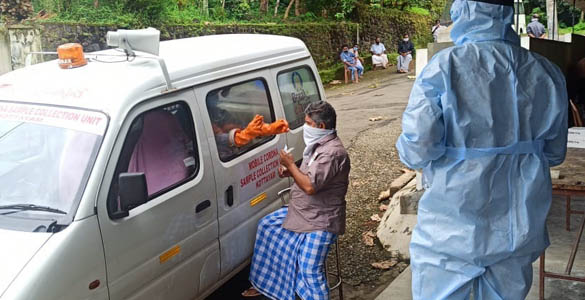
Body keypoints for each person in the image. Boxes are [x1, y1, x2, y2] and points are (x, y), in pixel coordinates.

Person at [396, 0, 568, 299]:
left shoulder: (445, 67)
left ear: (462, 13)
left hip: (451, 219)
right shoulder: (546, 71)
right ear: (506, 14)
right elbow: (555, 153)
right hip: (520, 219)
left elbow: (417, 149)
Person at [242, 101, 350, 300]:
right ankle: (269, 285)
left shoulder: (332, 153)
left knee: (310, 270)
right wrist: (291, 170)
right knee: (267, 226)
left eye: (308, 122)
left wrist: (291, 165)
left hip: (321, 219)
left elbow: (309, 186)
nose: (304, 126)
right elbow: (312, 173)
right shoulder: (319, 145)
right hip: (304, 211)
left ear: (321, 127)